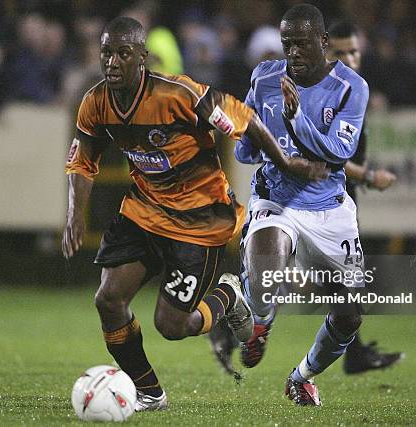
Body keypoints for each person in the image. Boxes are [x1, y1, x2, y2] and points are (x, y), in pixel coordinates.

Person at [62, 16, 327, 412]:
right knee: (108, 299)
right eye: (106, 52)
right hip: (145, 211)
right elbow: (83, 161)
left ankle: (229, 294)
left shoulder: (178, 94)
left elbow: (245, 119)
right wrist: (75, 214)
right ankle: (149, 392)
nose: (112, 62)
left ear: (142, 58)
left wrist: (286, 162)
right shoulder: (95, 103)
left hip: (198, 220)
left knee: (171, 326)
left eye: (123, 53)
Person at [209, 4, 371, 406]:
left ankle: (302, 377)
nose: (293, 52)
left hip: (330, 207)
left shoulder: (351, 86)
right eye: (287, 44)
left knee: (350, 312)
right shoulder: (264, 77)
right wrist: (241, 134)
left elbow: (338, 151)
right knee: (267, 267)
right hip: (275, 198)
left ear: (323, 42)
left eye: (302, 43)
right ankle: (259, 321)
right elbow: (247, 148)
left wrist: (296, 121)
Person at [325, 21, 404, 375]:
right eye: (340, 52)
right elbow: (329, 156)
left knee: (345, 282)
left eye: (353, 51)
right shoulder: (327, 91)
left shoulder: (355, 89)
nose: (349, 58)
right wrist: (370, 176)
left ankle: (353, 352)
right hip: (322, 198)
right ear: (326, 52)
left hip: (342, 195)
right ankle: (226, 325)